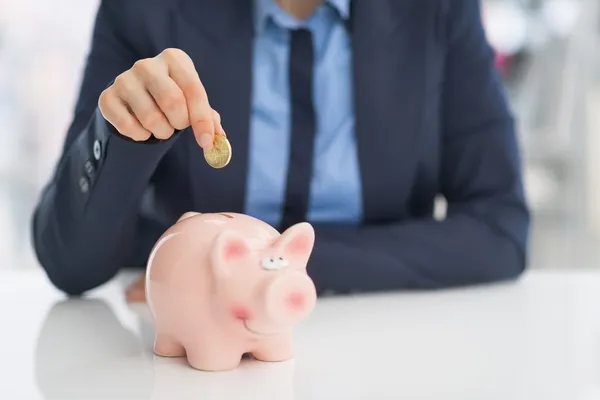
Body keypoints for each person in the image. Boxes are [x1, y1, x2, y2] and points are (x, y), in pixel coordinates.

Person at [30, 0, 531, 300]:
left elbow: (499, 230)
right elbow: (71, 264)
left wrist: (272, 267)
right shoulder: (145, 9)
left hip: (379, 332)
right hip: (189, 357)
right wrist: (124, 131)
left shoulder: (437, 10)